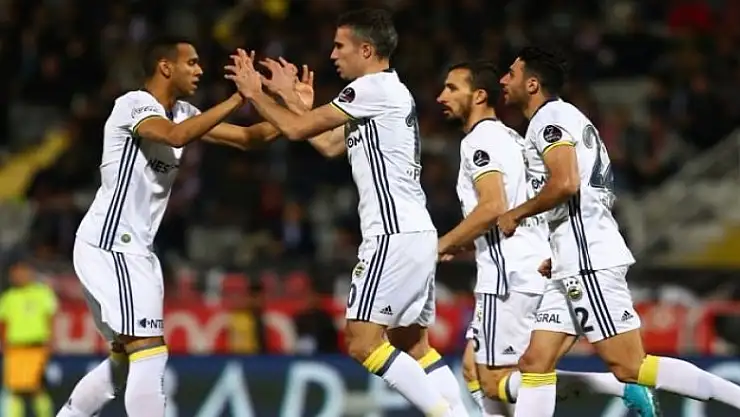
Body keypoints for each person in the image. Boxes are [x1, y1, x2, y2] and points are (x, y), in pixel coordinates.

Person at [225, 9, 467, 417]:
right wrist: (292, 101)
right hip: (414, 232)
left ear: (366, 50)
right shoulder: (389, 91)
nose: (333, 54)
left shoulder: (371, 88)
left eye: (340, 46)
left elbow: (297, 130)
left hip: (391, 235)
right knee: (412, 345)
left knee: (362, 343)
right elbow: (328, 144)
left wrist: (256, 94)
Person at [497, 45, 740, 417]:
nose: (503, 80)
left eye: (511, 73)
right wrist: (559, 252)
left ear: (532, 84)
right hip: (574, 257)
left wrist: (517, 213)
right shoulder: (568, 116)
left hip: (587, 260)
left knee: (630, 366)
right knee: (536, 361)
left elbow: (565, 183)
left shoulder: (549, 120)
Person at [56, 36, 287, 417]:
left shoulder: (183, 112)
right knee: (149, 350)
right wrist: (238, 98)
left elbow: (249, 138)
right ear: (165, 66)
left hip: (138, 251)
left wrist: (291, 107)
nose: (200, 70)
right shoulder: (133, 104)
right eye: (191, 63)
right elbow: (175, 136)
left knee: (125, 359)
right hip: (111, 245)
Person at [437, 60, 660, 417]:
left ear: (478, 95)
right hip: (535, 263)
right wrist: (469, 239)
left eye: (451, 88)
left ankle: (620, 386)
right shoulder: (513, 137)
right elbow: (519, 202)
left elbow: (494, 206)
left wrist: (442, 244)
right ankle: (620, 385)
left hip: (509, 276)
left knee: (495, 379)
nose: (440, 97)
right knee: (483, 369)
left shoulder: (480, 141)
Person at [0, 257, 58, 417]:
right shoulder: (8, 297)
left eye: (22, 272)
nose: (19, 276)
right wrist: (3, 342)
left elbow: (50, 316)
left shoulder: (42, 293)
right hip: (15, 348)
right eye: (15, 273)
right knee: (14, 389)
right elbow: (3, 322)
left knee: (36, 387)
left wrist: (51, 339)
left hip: (36, 346)